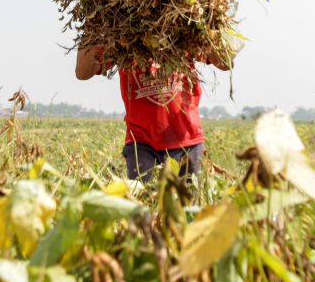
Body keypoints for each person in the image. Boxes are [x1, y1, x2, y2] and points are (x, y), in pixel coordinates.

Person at [75, 46, 231, 181]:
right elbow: (83, 72)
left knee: (187, 209)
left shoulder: (184, 25)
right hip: (141, 142)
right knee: (143, 209)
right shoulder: (120, 35)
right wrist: (91, 27)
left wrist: (212, 22)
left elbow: (225, 62)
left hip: (186, 139)